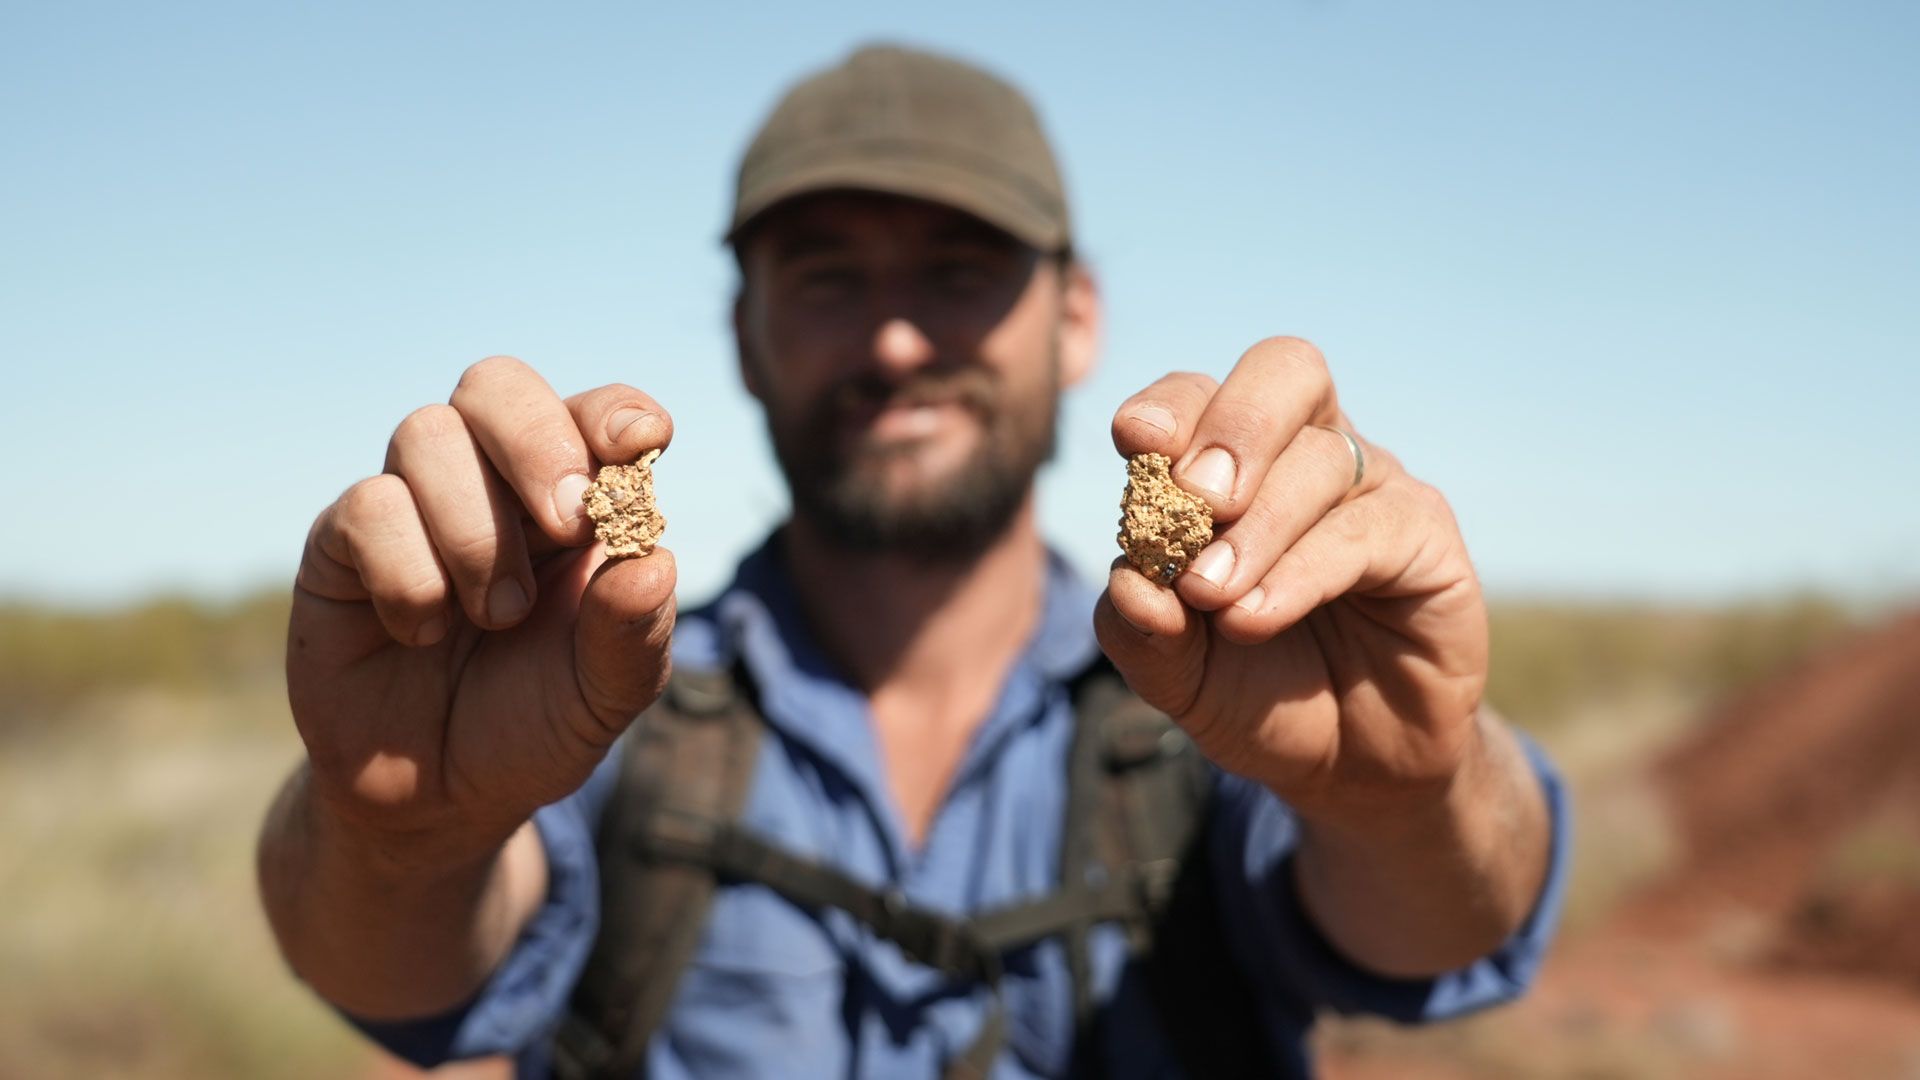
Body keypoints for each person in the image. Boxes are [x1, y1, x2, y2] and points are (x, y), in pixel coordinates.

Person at [257, 42, 1569, 1079]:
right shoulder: (599, 693)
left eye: (958, 271)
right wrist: (397, 831)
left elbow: (1446, 927)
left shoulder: (1216, 694)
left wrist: (1417, 795)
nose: (893, 343)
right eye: (827, 277)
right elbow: (400, 977)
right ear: (745, 334)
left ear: (1075, 320)